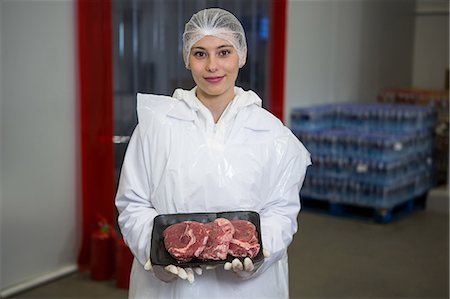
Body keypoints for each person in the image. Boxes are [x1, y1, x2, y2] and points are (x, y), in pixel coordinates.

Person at [115, 7, 311, 299]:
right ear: (186, 58)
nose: (212, 66)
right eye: (200, 53)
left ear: (242, 55)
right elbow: (133, 203)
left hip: (249, 291)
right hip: (171, 290)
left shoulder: (273, 135)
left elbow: (281, 211)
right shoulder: (157, 126)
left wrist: (258, 257)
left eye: (224, 52)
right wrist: (155, 253)